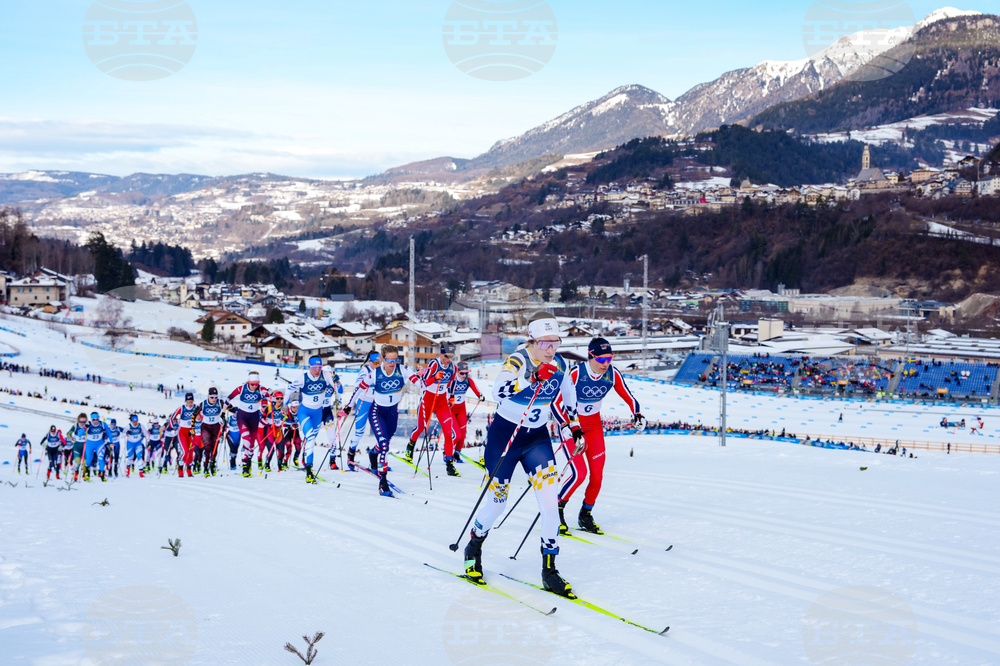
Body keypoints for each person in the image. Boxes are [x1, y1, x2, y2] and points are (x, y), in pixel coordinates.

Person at [462, 311, 583, 598]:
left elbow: (569, 395)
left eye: (555, 342)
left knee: (550, 504)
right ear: (532, 341)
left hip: (536, 439)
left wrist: (574, 425)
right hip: (505, 437)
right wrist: (531, 378)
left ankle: (549, 571)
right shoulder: (518, 361)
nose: (551, 349)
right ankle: (474, 547)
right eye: (545, 343)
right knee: (497, 504)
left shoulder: (560, 363)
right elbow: (498, 392)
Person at [554, 338, 643, 535]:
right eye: (602, 359)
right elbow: (555, 402)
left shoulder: (612, 374)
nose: (606, 363)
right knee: (579, 474)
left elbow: (629, 396)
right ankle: (557, 510)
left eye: (609, 358)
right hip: (573, 426)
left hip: (594, 427)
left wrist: (637, 413)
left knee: (597, 476)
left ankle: (585, 514)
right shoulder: (576, 373)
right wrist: (565, 426)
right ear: (591, 356)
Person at [342, 344, 420, 496]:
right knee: (383, 445)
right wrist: (349, 406)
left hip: (393, 413)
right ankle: (383, 482)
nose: (392, 363)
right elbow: (358, 388)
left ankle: (373, 453)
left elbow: (420, 384)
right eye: (389, 360)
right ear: (383, 359)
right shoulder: (373, 374)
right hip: (377, 412)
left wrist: (429, 377)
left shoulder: (403, 370)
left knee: (385, 442)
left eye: (395, 360)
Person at [406, 342, 461, 476]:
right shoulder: (434, 364)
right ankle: (411, 445)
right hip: (428, 401)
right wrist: (435, 378)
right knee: (421, 428)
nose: (449, 360)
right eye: (447, 356)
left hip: (441, 402)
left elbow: (452, 382)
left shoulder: (453, 367)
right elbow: (423, 383)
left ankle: (449, 465)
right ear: (441, 354)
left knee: (448, 432)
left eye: (452, 357)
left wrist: (451, 396)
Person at [287, 355, 341, 483]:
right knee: (310, 438)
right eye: (316, 367)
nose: (318, 370)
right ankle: (307, 463)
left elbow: (340, 391)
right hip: (312, 410)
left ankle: (332, 460)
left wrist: (339, 400)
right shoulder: (309, 379)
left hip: (326, 412)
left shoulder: (329, 381)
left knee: (331, 436)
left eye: (320, 368)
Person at [227, 371, 271, 478]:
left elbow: (270, 399)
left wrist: (270, 395)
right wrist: (224, 412)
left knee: (251, 446)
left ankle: (248, 463)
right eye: (252, 384)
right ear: (249, 382)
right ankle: (244, 466)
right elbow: (228, 398)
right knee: (246, 440)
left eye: (257, 384)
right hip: (242, 417)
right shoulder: (241, 389)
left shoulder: (261, 389)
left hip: (254, 418)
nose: (255, 386)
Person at [345, 351, 379, 470]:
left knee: (380, 433)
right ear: (370, 362)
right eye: (375, 362)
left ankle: (377, 458)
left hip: (377, 404)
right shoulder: (365, 371)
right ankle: (351, 454)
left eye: (379, 362)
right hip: (364, 403)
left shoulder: (382, 371)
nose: (378, 365)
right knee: (359, 432)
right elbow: (356, 387)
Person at [448, 361, 484, 463]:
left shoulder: (468, 380)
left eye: (466, 373)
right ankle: (447, 452)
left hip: (461, 410)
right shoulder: (452, 380)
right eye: (462, 373)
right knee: (457, 435)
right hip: (450, 410)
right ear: (457, 372)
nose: (464, 375)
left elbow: (476, 389)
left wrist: (480, 396)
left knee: (463, 434)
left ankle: (456, 454)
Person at [170, 392, 200, 478]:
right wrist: (173, 428)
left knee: (191, 452)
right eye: (188, 402)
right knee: (185, 451)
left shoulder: (196, 407)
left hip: (191, 432)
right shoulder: (182, 408)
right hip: (182, 432)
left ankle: (189, 470)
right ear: (185, 401)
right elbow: (172, 418)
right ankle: (180, 468)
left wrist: (198, 418)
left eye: (191, 402)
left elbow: (200, 417)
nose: (190, 404)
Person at [199, 387, 225, 477]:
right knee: (208, 447)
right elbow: (194, 414)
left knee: (215, 448)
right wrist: (192, 427)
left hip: (216, 427)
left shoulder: (220, 402)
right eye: (212, 397)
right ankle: (205, 466)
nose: (214, 399)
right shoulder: (203, 404)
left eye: (215, 397)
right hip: (206, 427)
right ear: (208, 396)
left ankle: (213, 464)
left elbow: (229, 407)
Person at [82, 412, 113, 482]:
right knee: (89, 460)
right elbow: (80, 434)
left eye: (97, 419)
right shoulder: (88, 424)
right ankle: (87, 474)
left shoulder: (103, 424)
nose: (95, 421)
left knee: (101, 458)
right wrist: (85, 428)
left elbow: (109, 433)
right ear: (91, 419)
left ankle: (102, 475)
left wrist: (111, 442)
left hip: (99, 444)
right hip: (90, 444)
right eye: (94, 419)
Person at [68, 413, 87, 481]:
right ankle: (76, 474)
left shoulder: (88, 426)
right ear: (78, 420)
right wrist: (71, 438)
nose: (82, 423)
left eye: (84, 422)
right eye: (81, 422)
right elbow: (69, 433)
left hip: (85, 446)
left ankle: (84, 475)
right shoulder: (75, 426)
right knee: (77, 461)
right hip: (77, 446)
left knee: (85, 461)